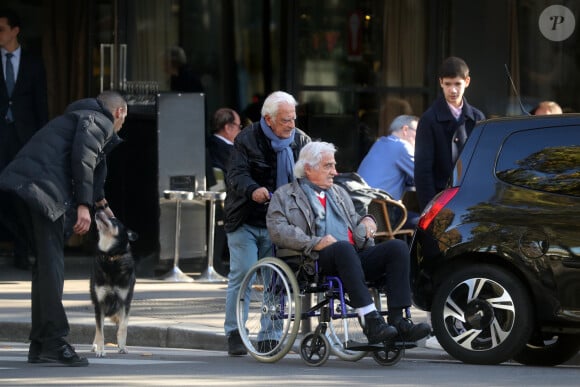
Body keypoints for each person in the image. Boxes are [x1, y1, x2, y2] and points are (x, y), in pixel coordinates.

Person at [0, 90, 127, 367]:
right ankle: (55, 341)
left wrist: (101, 204)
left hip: (26, 189)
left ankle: (42, 343)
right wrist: (84, 204)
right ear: (119, 112)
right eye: (123, 119)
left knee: (46, 267)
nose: (120, 126)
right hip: (42, 192)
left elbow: (90, 164)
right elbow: (83, 157)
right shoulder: (99, 121)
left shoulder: (81, 116)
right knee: (52, 267)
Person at [266, 141, 431, 344]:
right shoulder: (285, 195)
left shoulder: (339, 193)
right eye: (328, 166)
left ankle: (399, 321)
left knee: (397, 247)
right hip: (313, 259)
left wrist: (368, 220)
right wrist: (314, 242)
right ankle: (370, 320)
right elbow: (278, 231)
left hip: (352, 255)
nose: (335, 172)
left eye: (334, 166)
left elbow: (355, 223)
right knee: (343, 248)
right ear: (308, 168)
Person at [223, 91, 311, 356]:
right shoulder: (247, 139)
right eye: (285, 120)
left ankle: (270, 335)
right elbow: (235, 174)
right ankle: (236, 331)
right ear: (268, 119)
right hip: (246, 218)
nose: (291, 125)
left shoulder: (301, 141)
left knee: (277, 278)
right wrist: (253, 190)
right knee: (244, 273)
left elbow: (310, 173)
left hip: (280, 223)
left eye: (293, 119)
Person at [0, 8, 49, 270]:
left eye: (2, 29)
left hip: (24, 139)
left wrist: (42, 142)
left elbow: (40, 104)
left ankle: (22, 250)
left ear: (15, 31)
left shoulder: (32, 62)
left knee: (22, 195)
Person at [414, 56, 485, 212]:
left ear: (467, 82)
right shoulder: (429, 120)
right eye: (448, 84)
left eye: (457, 84)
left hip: (470, 200)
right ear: (441, 83)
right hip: (440, 201)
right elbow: (422, 171)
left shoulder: (477, 117)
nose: (453, 90)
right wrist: (430, 209)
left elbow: (482, 163)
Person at [358, 114, 418, 201]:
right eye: (418, 131)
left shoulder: (380, 143)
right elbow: (423, 175)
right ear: (405, 129)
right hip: (383, 210)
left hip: (364, 207)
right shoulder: (402, 146)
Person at [207, 107, 242, 183]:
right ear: (228, 128)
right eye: (239, 127)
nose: (240, 131)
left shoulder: (207, 145)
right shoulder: (232, 153)